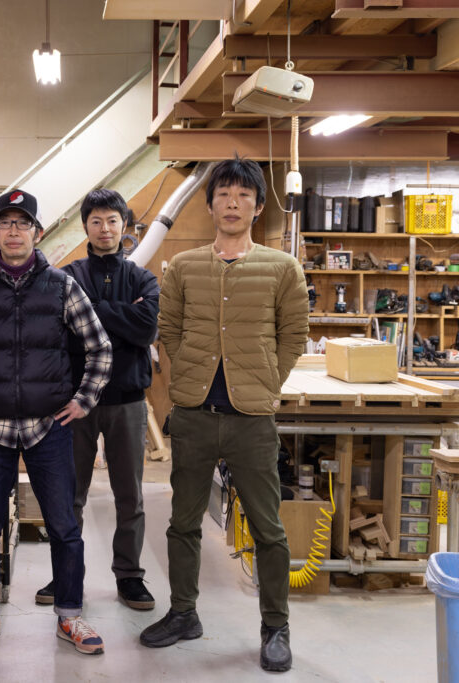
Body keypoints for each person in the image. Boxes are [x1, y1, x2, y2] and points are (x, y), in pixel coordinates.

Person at [139, 158, 308, 673]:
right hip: (192, 415)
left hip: (251, 419)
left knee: (268, 528)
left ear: (258, 206)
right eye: (223, 194)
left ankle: (275, 626)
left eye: (243, 195)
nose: (232, 203)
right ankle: (184, 612)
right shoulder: (185, 266)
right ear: (210, 204)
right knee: (182, 523)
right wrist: (185, 385)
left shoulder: (282, 267)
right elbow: (167, 330)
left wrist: (265, 384)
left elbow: (293, 335)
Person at [0, 189, 113, 655]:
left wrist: (83, 400)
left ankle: (71, 617)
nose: (14, 231)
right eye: (5, 223)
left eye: (23, 224)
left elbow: (100, 347)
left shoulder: (61, 286)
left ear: (37, 233)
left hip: (48, 428)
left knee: (64, 525)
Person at [34, 189, 159, 610]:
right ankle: (66, 573)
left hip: (127, 401)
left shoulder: (144, 279)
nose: (104, 229)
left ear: (124, 226)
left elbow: (146, 330)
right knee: (69, 494)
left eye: (112, 221)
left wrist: (92, 309)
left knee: (130, 496)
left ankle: (129, 577)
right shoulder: (66, 276)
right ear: (85, 227)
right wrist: (123, 313)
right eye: (96, 221)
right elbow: (61, 332)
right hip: (75, 404)